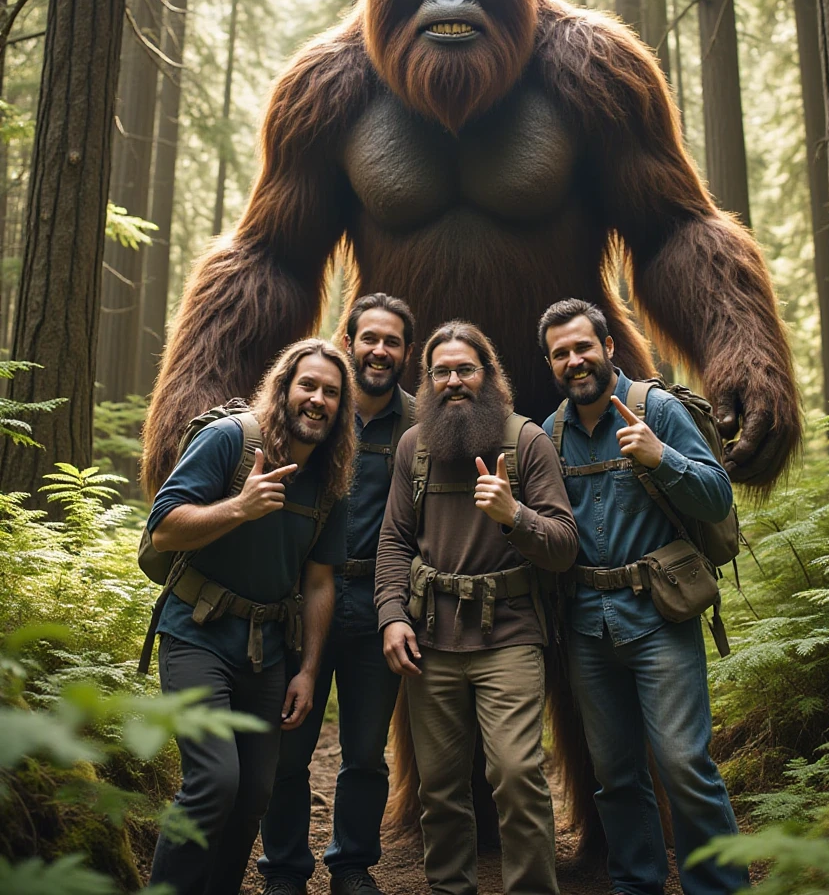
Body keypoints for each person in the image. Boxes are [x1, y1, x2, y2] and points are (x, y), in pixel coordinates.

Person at [538, 298, 751, 895]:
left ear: (608, 347)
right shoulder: (551, 434)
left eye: (583, 347)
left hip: (660, 616)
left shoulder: (654, 408)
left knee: (685, 765)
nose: (574, 361)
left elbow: (716, 498)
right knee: (615, 774)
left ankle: (720, 886)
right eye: (560, 354)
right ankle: (638, 882)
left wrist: (662, 458)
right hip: (586, 626)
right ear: (550, 364)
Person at [146, 338, 357, 895]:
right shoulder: (229, 440)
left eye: (331, 393)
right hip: (196, 633)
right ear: (283, 388)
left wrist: (309, 670)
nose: (317, 400)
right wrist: (239, 506)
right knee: (215, 780)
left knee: (254, 795)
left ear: (342, 407)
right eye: (307, 385)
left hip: (266, 652)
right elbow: (163, 527)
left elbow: (318, 581)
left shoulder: (331, 477)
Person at [375, 320, 578, 895]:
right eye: (442, 372)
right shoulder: (414, 447)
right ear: (429, 379)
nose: (454, 382)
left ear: (488, 375)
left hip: (509, 635)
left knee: (517, 775)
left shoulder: (526, 441)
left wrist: (515, 516)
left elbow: (564, 545)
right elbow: (393, 541)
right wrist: (392, 616)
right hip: (431, 639)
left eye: (466, 369)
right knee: (439, 789)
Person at [259, 294, 416, 895]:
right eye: (369, 337)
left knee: (366, 752)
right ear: (347, 343)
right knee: (289, 744)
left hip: (380, 603)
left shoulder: (418, 424)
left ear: (405, 352)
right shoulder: (318, 408)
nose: (380, 350)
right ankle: (284, 869)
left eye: (393, 341)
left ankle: (352, 864)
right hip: (305, 599)